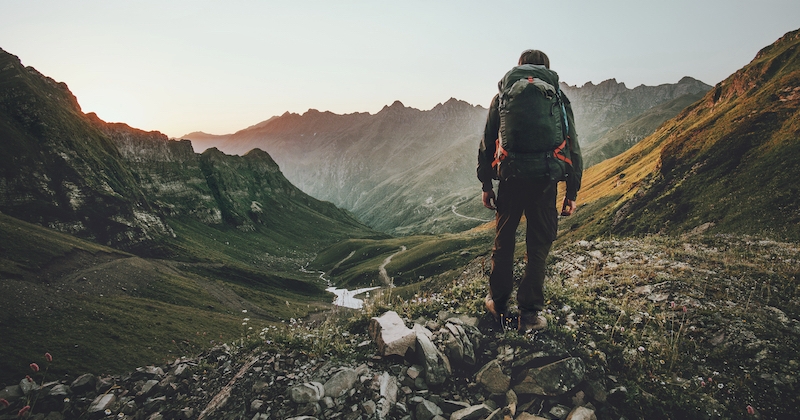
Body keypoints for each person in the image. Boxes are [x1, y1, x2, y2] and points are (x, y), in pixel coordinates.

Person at [477, 49, 583, 333]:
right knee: (538, 247)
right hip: (545, 182)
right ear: (547, 68)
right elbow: (572, 145)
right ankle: (529, 315)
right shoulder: (558, 98)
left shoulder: (502, 98)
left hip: (511, 179)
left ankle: (499, 305)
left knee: (504, 242)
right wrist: (572, 192)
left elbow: (488, 143)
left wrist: (486, 185)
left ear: (519, 67)